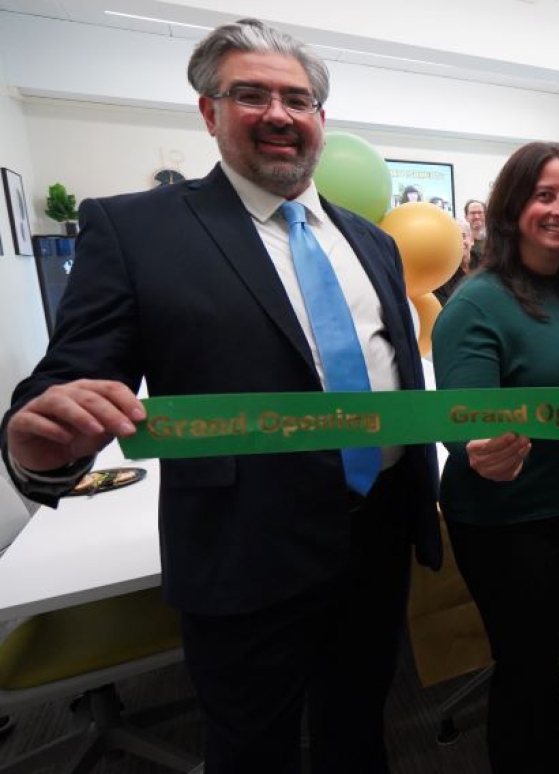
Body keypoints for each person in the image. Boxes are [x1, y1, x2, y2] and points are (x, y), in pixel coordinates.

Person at [0, 19, 442, 771]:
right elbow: (72, 375)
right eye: (251, 95)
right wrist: (33, 441)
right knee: (252, 745)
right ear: (209, 112)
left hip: (379, 532)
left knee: (360, 722)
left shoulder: (374, 241)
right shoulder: (135, 229)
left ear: (321, 121)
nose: (279, 113)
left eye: (298, 99)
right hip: (245, 550)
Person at [433, 141, 559, 774]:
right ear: (511, 208)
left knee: (541, 654)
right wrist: (480, 449)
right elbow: (464, 421)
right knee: (527, 663)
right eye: (545, 195)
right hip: (507, 521)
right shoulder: (477, 303)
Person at [433, 219, 474, 305]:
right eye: (453, 238)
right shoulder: (440, 277)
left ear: (472, 240)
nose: (459, 242)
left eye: (463, 236)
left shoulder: (487, 262)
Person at [465, 198, 488, 266]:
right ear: (466, 217)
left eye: (480, 212)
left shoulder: (494, 240)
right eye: (472, 213)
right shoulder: (462, 243)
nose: (477, 217)